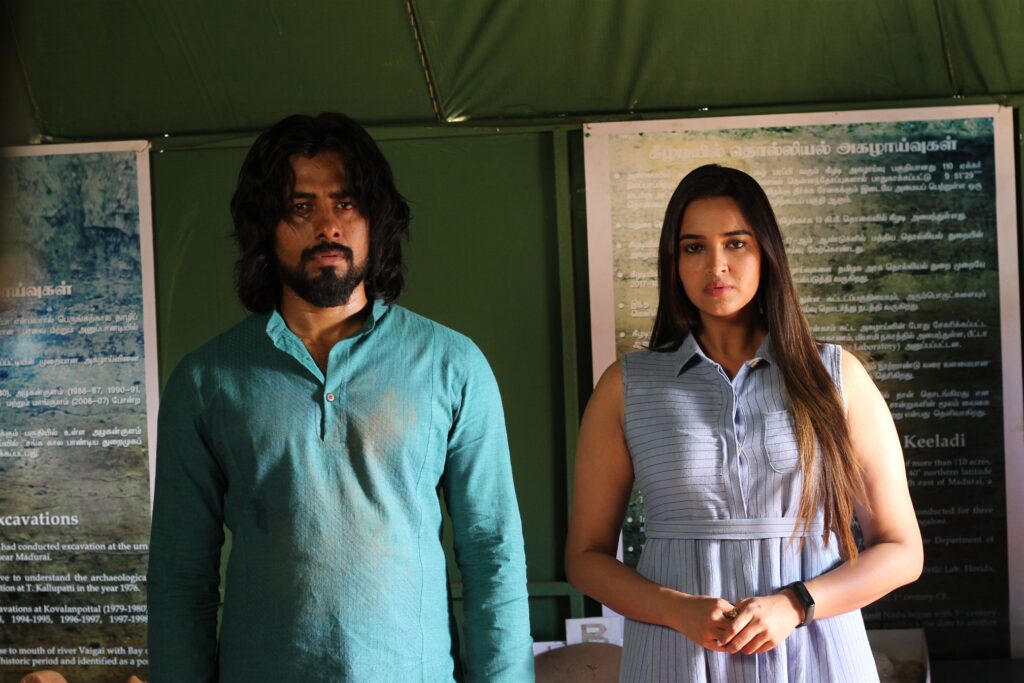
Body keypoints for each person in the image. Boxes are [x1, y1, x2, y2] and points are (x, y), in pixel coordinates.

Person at [147, 112, 534, 682]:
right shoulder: (206, 380)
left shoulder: (451, 364)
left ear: (376, 219)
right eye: (301, 206)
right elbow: (181, 575)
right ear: (265, 224)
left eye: (346, 203)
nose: (328, 226)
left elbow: (492, 552)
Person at [565, 164, 923, 681]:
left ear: (766, 253)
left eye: (736, 243)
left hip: (816, 653)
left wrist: (797, 603)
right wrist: (675, 609)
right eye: (694, 247)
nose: (717, 265)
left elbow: (902, 549)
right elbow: (585, 557)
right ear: (673, 262)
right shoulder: (627, 385)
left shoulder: (837, 377)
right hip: (676, 656)